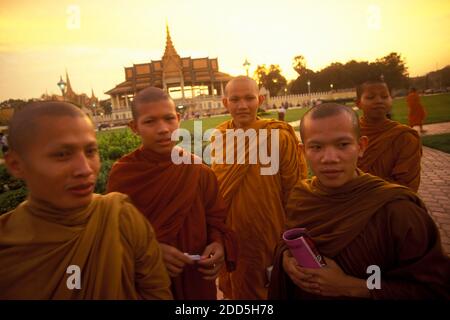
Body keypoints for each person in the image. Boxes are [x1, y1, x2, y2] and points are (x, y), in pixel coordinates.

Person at [268, 103, 450, 300]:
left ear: (361, 147)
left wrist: (352, 287)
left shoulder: (397, 210)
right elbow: (286, 242)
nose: (329, 158)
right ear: (303, 152)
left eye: (343, 145)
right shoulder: (302, 196)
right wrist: (286, 260)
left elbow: (433, 290)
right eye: (316, 147)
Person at [0, 101, 172, 299]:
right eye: (62, 154)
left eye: (90, 152)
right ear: (16, 165)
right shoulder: (7, 246)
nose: (85, 169)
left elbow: (157, 292)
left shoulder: (121, 217)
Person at [107, 87, 237, 300]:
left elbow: (216, 220)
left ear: (178, 119)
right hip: (147, 280)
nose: (163, 129)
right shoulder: (124, 174)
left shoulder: (198, 170)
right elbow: (115, 233)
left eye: (169, 119)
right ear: (134, 127)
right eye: (150, 122)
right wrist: (151, 252)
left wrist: (217, 245)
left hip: (195, 277)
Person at [211, 76, 308, 299]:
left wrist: (291, 235)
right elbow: (219, 188)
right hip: (232, 235)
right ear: (225, 103)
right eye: (235, 99)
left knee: (269, 290)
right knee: (235, 289)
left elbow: (294, 189)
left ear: (260, 99)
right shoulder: (221, 136)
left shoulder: (279, 136)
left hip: (269, 231)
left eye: (249, 98)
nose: (242, 105)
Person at [356, 79, 422, 192]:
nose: (378, 101)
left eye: (384, 96)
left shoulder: (404, 137)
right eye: (370, 97)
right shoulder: (350, 133)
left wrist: (364, 189)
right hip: (349, 201)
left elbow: (407, 183)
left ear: (391, 100)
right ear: (358, 103)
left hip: (390, 201)